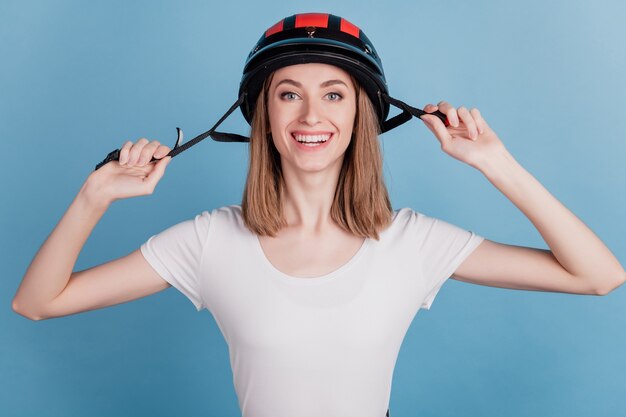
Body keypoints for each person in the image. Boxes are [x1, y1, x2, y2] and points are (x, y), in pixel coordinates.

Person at [12, 12, 625, 417]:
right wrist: (95, 195)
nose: (311, 115)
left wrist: (497, 164)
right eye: (289, 94)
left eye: (334, 93)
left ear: (362, 115)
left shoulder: (411, 242)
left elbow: (598, 276)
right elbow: (38, 301)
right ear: (263, 117)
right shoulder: (208, 242)